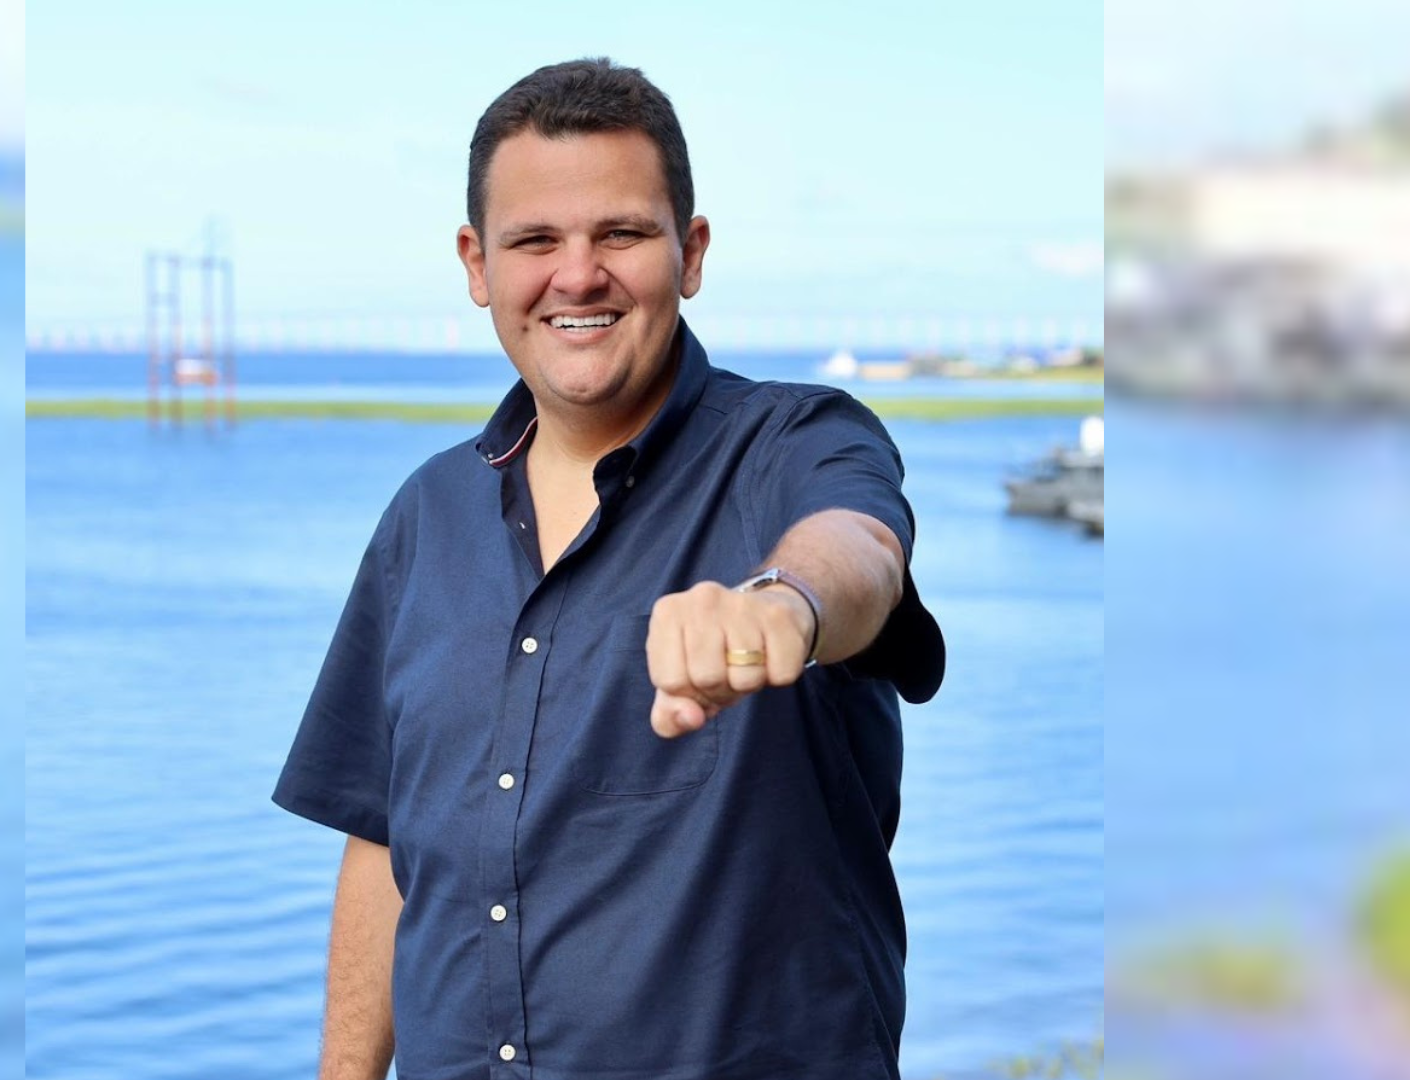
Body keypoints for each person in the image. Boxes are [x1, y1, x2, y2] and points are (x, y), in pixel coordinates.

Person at [273, 57, 944, 1080]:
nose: (577, 276)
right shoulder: (426, 516)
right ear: (476, 265)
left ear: (691, 252)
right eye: (534, 241)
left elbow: (861, 549)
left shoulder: (796, 443)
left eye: (621, 234)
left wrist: (783, 603)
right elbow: (383, 842)